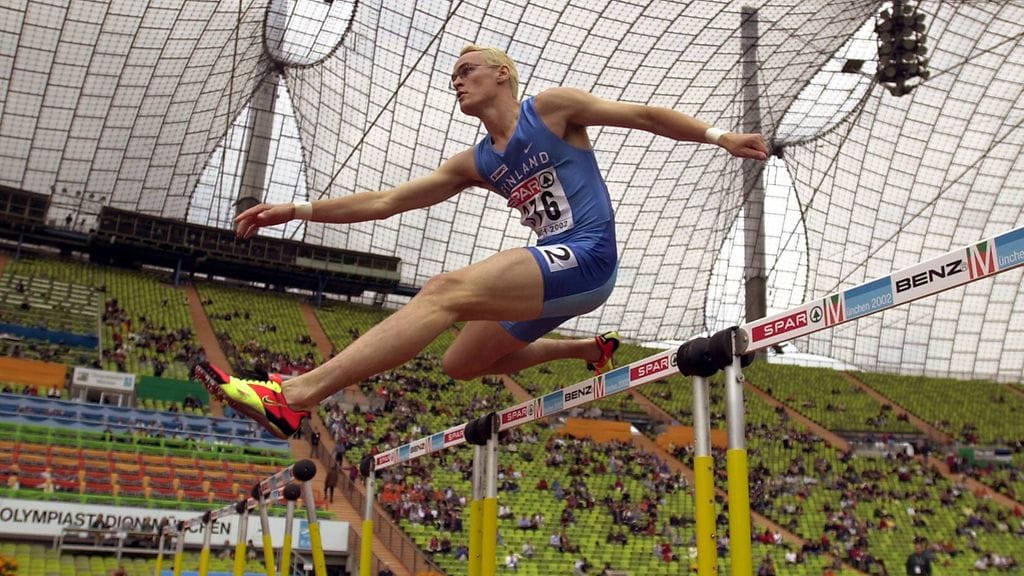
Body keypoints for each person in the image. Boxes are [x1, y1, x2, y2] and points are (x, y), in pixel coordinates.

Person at [194, 44, 768, 439]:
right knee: (461, 363)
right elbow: (388, 201)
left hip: (587, 252)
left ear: (502, 75)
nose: (457, 80)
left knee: (444, 290)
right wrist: (299, 209)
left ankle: (295, 396)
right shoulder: (478, 160)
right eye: (454, 76)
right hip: (559, 279)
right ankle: (583, 349)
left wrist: (720, 137)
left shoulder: (551, 110)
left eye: (468, 69)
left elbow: (641, 114)